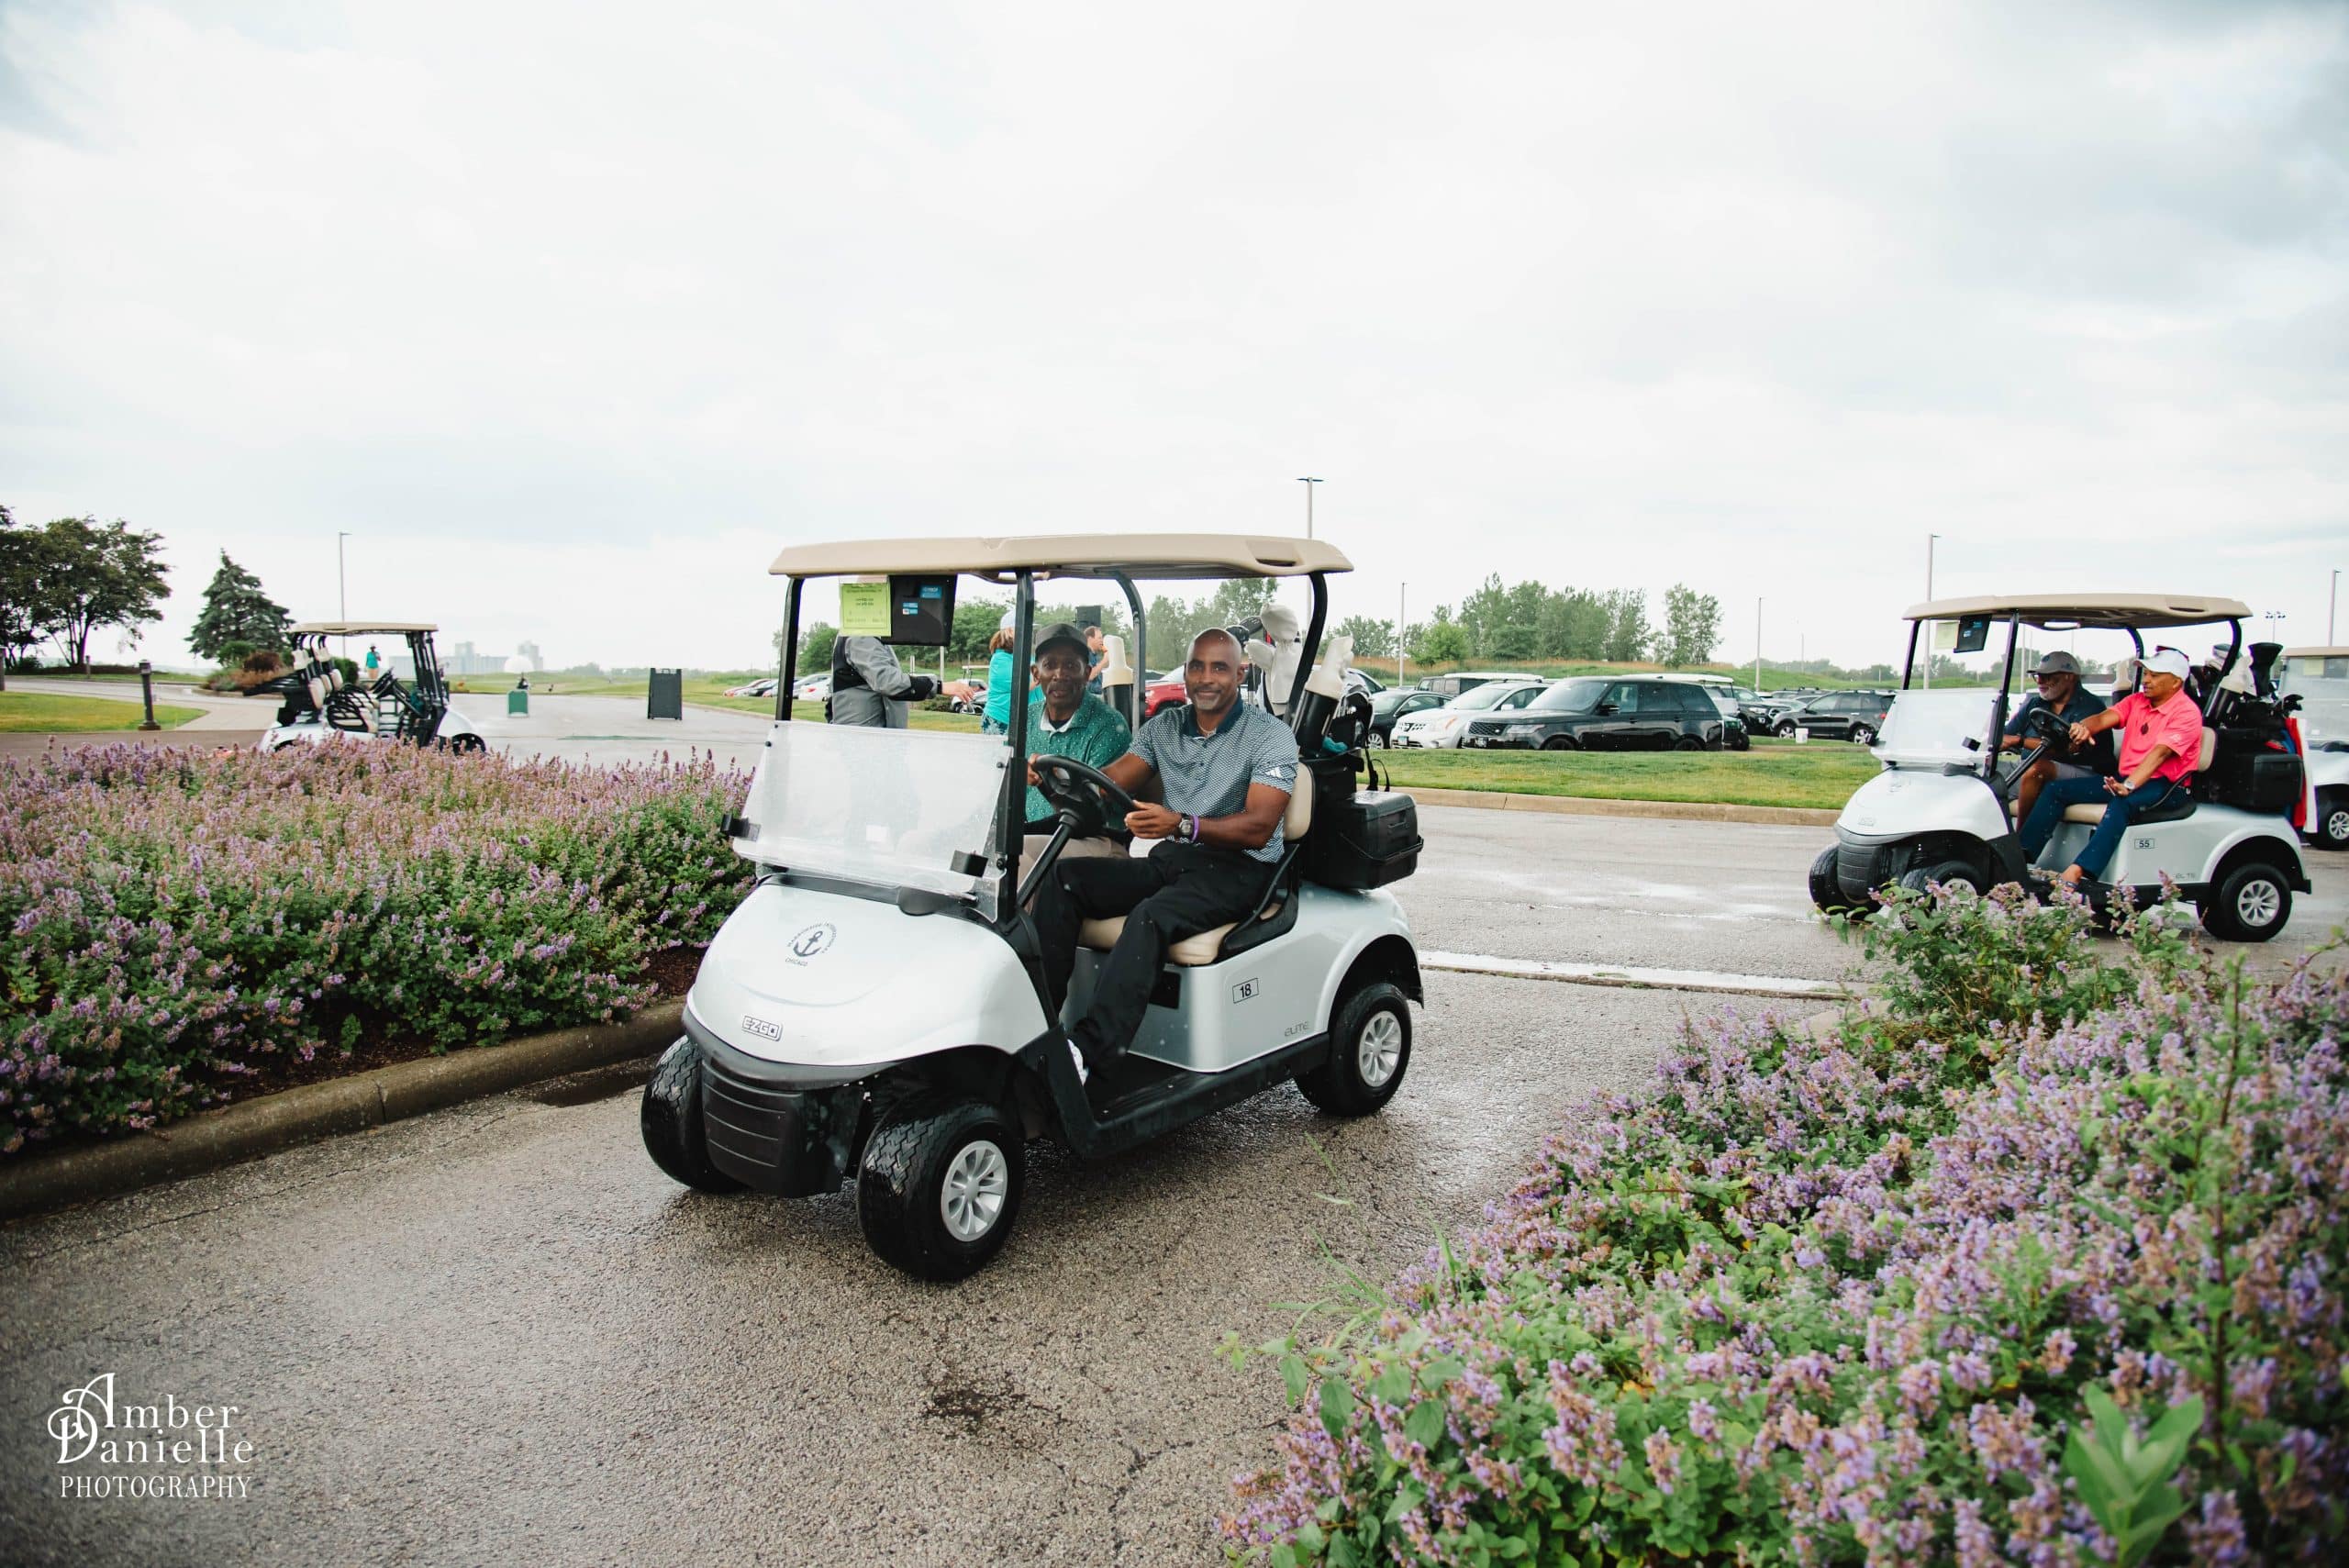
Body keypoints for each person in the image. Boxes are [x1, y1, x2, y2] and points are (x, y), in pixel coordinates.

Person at [1030, 628, 1299, 1083]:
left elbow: (1259, 827)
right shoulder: (1164, 728)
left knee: (1151, 917)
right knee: (1064, 879)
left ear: (1240, 674)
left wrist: (1182, 824)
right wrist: (1052, 778)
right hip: (1177, 859)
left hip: (1241, 870)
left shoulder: (1270, 736)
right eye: (1197, 666)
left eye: (1219, 668)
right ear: (1186, 672)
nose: (1206, 678)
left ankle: (1089, 1053)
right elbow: (1107, 781)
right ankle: (1036, 1026)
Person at [2018, 647, 2204, 886]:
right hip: (2128, 778)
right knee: (2056, 790)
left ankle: (2078, 872)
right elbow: (2104, 718)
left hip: (2166, 787)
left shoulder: (2186, 713)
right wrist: (2083, 727)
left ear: (2176, 682)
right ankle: (2021, 857)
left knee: (2121, 803)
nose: (2146, 680)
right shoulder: (2137, 701)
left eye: (2154, 675)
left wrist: (2129, 785)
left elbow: (2160, 754)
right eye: (2146, 674)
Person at [1019, 622, 1131, 828]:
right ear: (1036, 674)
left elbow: (1091, 809)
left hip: (1094, 837)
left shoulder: (1109, 726)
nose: (1060, 675)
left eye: (1071, 666)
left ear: (1087, 673)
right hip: (1034, 835)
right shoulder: (1025, 719)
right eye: (1049, 665)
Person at [1998, 651, 2113, 824]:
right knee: (1982, 772)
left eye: (2048, 677)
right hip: (2028, 766)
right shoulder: (2035, 704)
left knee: (2038, 770)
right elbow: (2007, 734)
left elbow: (2064, 748)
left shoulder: (2090, 706)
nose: (2040, 681)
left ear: (2069, 677)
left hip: (2082, 770)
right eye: (2038, 676)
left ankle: (2022, 836)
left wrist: (2021, 741)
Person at [829, 634, 939, 728]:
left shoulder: (861, 636)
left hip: (864, 735)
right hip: (867, 738)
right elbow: (888, 682)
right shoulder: (861, 637)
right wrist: (938, 686)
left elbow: (833, 695)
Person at [982, 612, 1017, 735]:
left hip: (1025, 720)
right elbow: (1023, 684)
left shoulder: (1027, 656)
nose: (1030, 633)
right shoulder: (1000, 659)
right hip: (1001, 720)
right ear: (1010, 631)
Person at [1084, 625, 1108, 696]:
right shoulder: (1084, 654)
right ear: (1090, 639)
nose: (1102, 641)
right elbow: (1089, 676)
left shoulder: (1096, 656)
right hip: (1090, 696)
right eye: (1099, 638)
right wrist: (1104, 661)